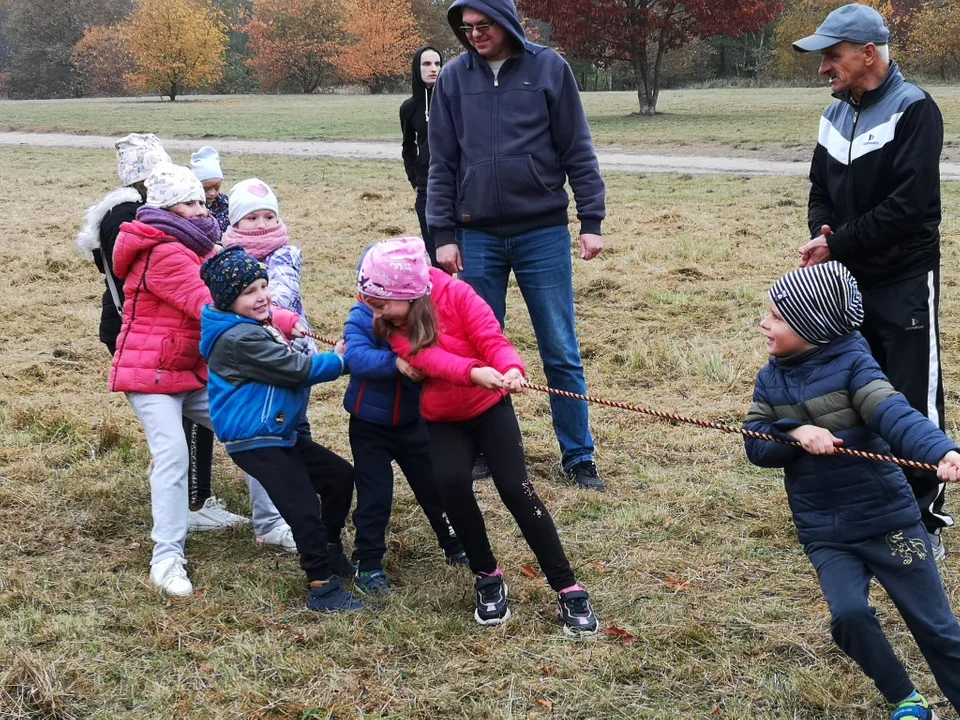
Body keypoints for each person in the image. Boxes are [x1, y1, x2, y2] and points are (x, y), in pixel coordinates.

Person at [744, 261, 960, 720]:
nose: (764, 322)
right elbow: (755, 443)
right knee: (849, 617)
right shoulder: (771, 377)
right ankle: (906, 698)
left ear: (813, 326)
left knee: (937, 629)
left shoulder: (855, 367)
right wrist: (795, 432)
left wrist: (942, 451)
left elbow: (895, 414)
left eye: (777, 316)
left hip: (888, 521)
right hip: (827, 531)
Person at [358, 237, 598, 635]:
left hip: (490, 410)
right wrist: (473, 373)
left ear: (409, 294)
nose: (374, 311)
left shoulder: (458, 295)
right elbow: (429, 358)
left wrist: (511, 368)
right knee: (451, 484)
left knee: (516, 488)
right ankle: (486, 573)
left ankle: (566, 583)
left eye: (381, 303)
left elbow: (492, 338)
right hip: (443, 418)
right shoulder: (390, 325)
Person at [427, 0, 607, 491]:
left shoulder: (549, 68)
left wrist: (590, 219)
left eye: (484, 26)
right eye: (466, 29)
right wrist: (443, 235)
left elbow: (577, 146)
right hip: (477, 234)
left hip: (542, 232)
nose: (475, 36)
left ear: (506, 23)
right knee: (479, 348)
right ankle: (487, 447)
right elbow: (441, 161)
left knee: (559, 347)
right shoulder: (452, 80)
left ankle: (578, 455)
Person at [793, 3, 950, 559]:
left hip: (903, 281)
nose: (823, 69)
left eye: (831, 57)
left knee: (910, 398)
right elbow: (819, 188)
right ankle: (869, 506)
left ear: (868, 54)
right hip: (845, 284)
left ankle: (924, 518)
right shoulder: (834, 115)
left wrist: (838, 242)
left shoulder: (915, 110)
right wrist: (822, 231)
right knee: (854, 394)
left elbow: (910, 207)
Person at [109, 163, 295, 597]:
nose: (201, 206)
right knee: (173, 453)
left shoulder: (199, 246)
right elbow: (212, 302)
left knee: (251, 428)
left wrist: (282, 317)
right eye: (189, 201)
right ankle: (167, 557)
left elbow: (242, 287)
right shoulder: (163, 250)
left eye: (200, 199)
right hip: (152, 370)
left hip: (190, 368)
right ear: (165, 207)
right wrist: (277, 322)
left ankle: (269, 525)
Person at [77, 134, 247, 533]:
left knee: (188, 414)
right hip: (144, 331)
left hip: (155, 325)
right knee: (182, 420)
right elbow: (135, 280)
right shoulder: (129, 216)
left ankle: (194, 497)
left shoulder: (136, 210)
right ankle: (194, 504)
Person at [200, 247, 362, 612]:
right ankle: (321, 585)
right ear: (228, 301)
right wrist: (342, 360)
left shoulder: (247, 323)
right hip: (255, 439)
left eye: (263, 286)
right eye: (249, 292)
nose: (261, 297)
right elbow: (297, 369)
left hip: (278, 433)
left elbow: (274, 318)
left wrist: (284, 321)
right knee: (303, 507)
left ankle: (332, 549)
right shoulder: (240, 339)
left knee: (339, 477)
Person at [220, 178, 358, 559]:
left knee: (296, 429)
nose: (262, 223)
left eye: (269, 215)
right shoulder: (224, 262)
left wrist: (278, 316)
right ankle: (272, 521)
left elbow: (279, 293)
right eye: (251, 218)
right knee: (265, 438)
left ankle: (304, 504)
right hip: (253, 362)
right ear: (234, 223)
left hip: (293, 356)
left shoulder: (284, 254)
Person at [343, 251, 468, 594]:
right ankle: (368, 563)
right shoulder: (363, 315)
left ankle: (454, 543)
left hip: (416, 422)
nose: (377, 306)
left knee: (434, 487)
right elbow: (355, 355)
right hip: (370, 424)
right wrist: (395, 362)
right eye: (372, 298)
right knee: (374, 495)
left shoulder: (421, 314)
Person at [400, 46, 443, 268]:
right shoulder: (409, 108)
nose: (433, 69)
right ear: (417, 68)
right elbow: (408, 147)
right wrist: (415, 181)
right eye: (426, 64)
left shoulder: (454, 100)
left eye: (437, 63)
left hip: (456, 185)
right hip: (427, 187)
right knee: (434, 252)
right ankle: (439, 300)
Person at [191, 146, 230, 232]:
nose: (212, 193)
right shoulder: (189, 206)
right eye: (206, 189)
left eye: (217, 187)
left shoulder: (225, 203)